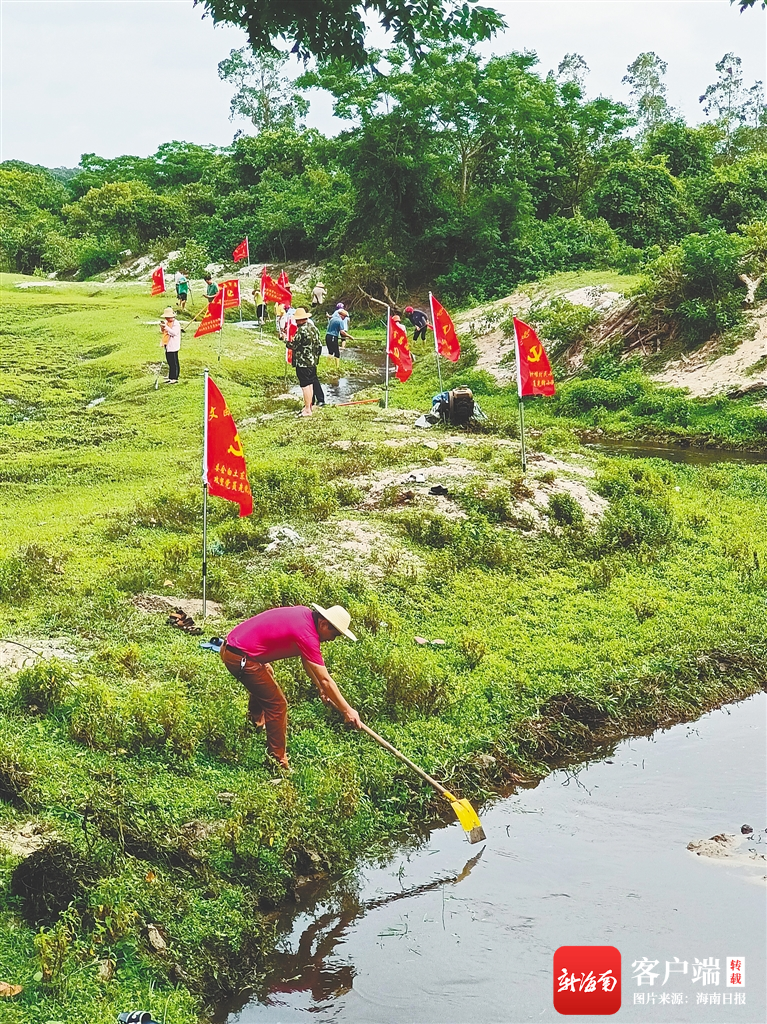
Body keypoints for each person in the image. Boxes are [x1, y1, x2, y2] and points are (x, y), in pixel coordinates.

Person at [220, 603, 362, 769]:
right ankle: (277, 763)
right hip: (240, 658)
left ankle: (254, 724)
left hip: (232, 647)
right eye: (334, 634)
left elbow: (308, 661)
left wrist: (321, 689)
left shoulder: (305, 616)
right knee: (277, 705)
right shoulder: (308, 635)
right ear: (323, 624)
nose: (332, 639)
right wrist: (347, 710)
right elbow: (326, 679)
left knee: (266, 675)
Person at [290, 307, 323, 416]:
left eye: (296, 319)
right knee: (311, 383)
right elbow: (319, 345)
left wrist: (286, 340)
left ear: (300, 320)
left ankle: (307, 409)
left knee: (305, 385)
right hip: (312, 362)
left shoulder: (301, 330)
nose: (295, 321)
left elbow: (294, 345)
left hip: (303, 362)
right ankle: (309, 406)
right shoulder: (314, 328)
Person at [325, 305, 353, 371]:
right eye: (344, 317)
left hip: (327, 336)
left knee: (330, 352)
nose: (344, 318)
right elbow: (342, 332)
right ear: (341, 315)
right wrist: (350, 336)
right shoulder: (340, 321)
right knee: (337, 353)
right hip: (333, 337)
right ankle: (337, 367)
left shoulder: (332, 319)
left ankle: (327, 365)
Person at [159, 306, 183, 383]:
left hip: (173, 345)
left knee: (174, 362)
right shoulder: (167, 323)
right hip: (167, 344)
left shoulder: (176, 324)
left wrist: (166, 327)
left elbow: (174, 333)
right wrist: (162, 327)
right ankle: (170, 377)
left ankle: (175, 378)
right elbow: (164, 332)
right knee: (169, 361)